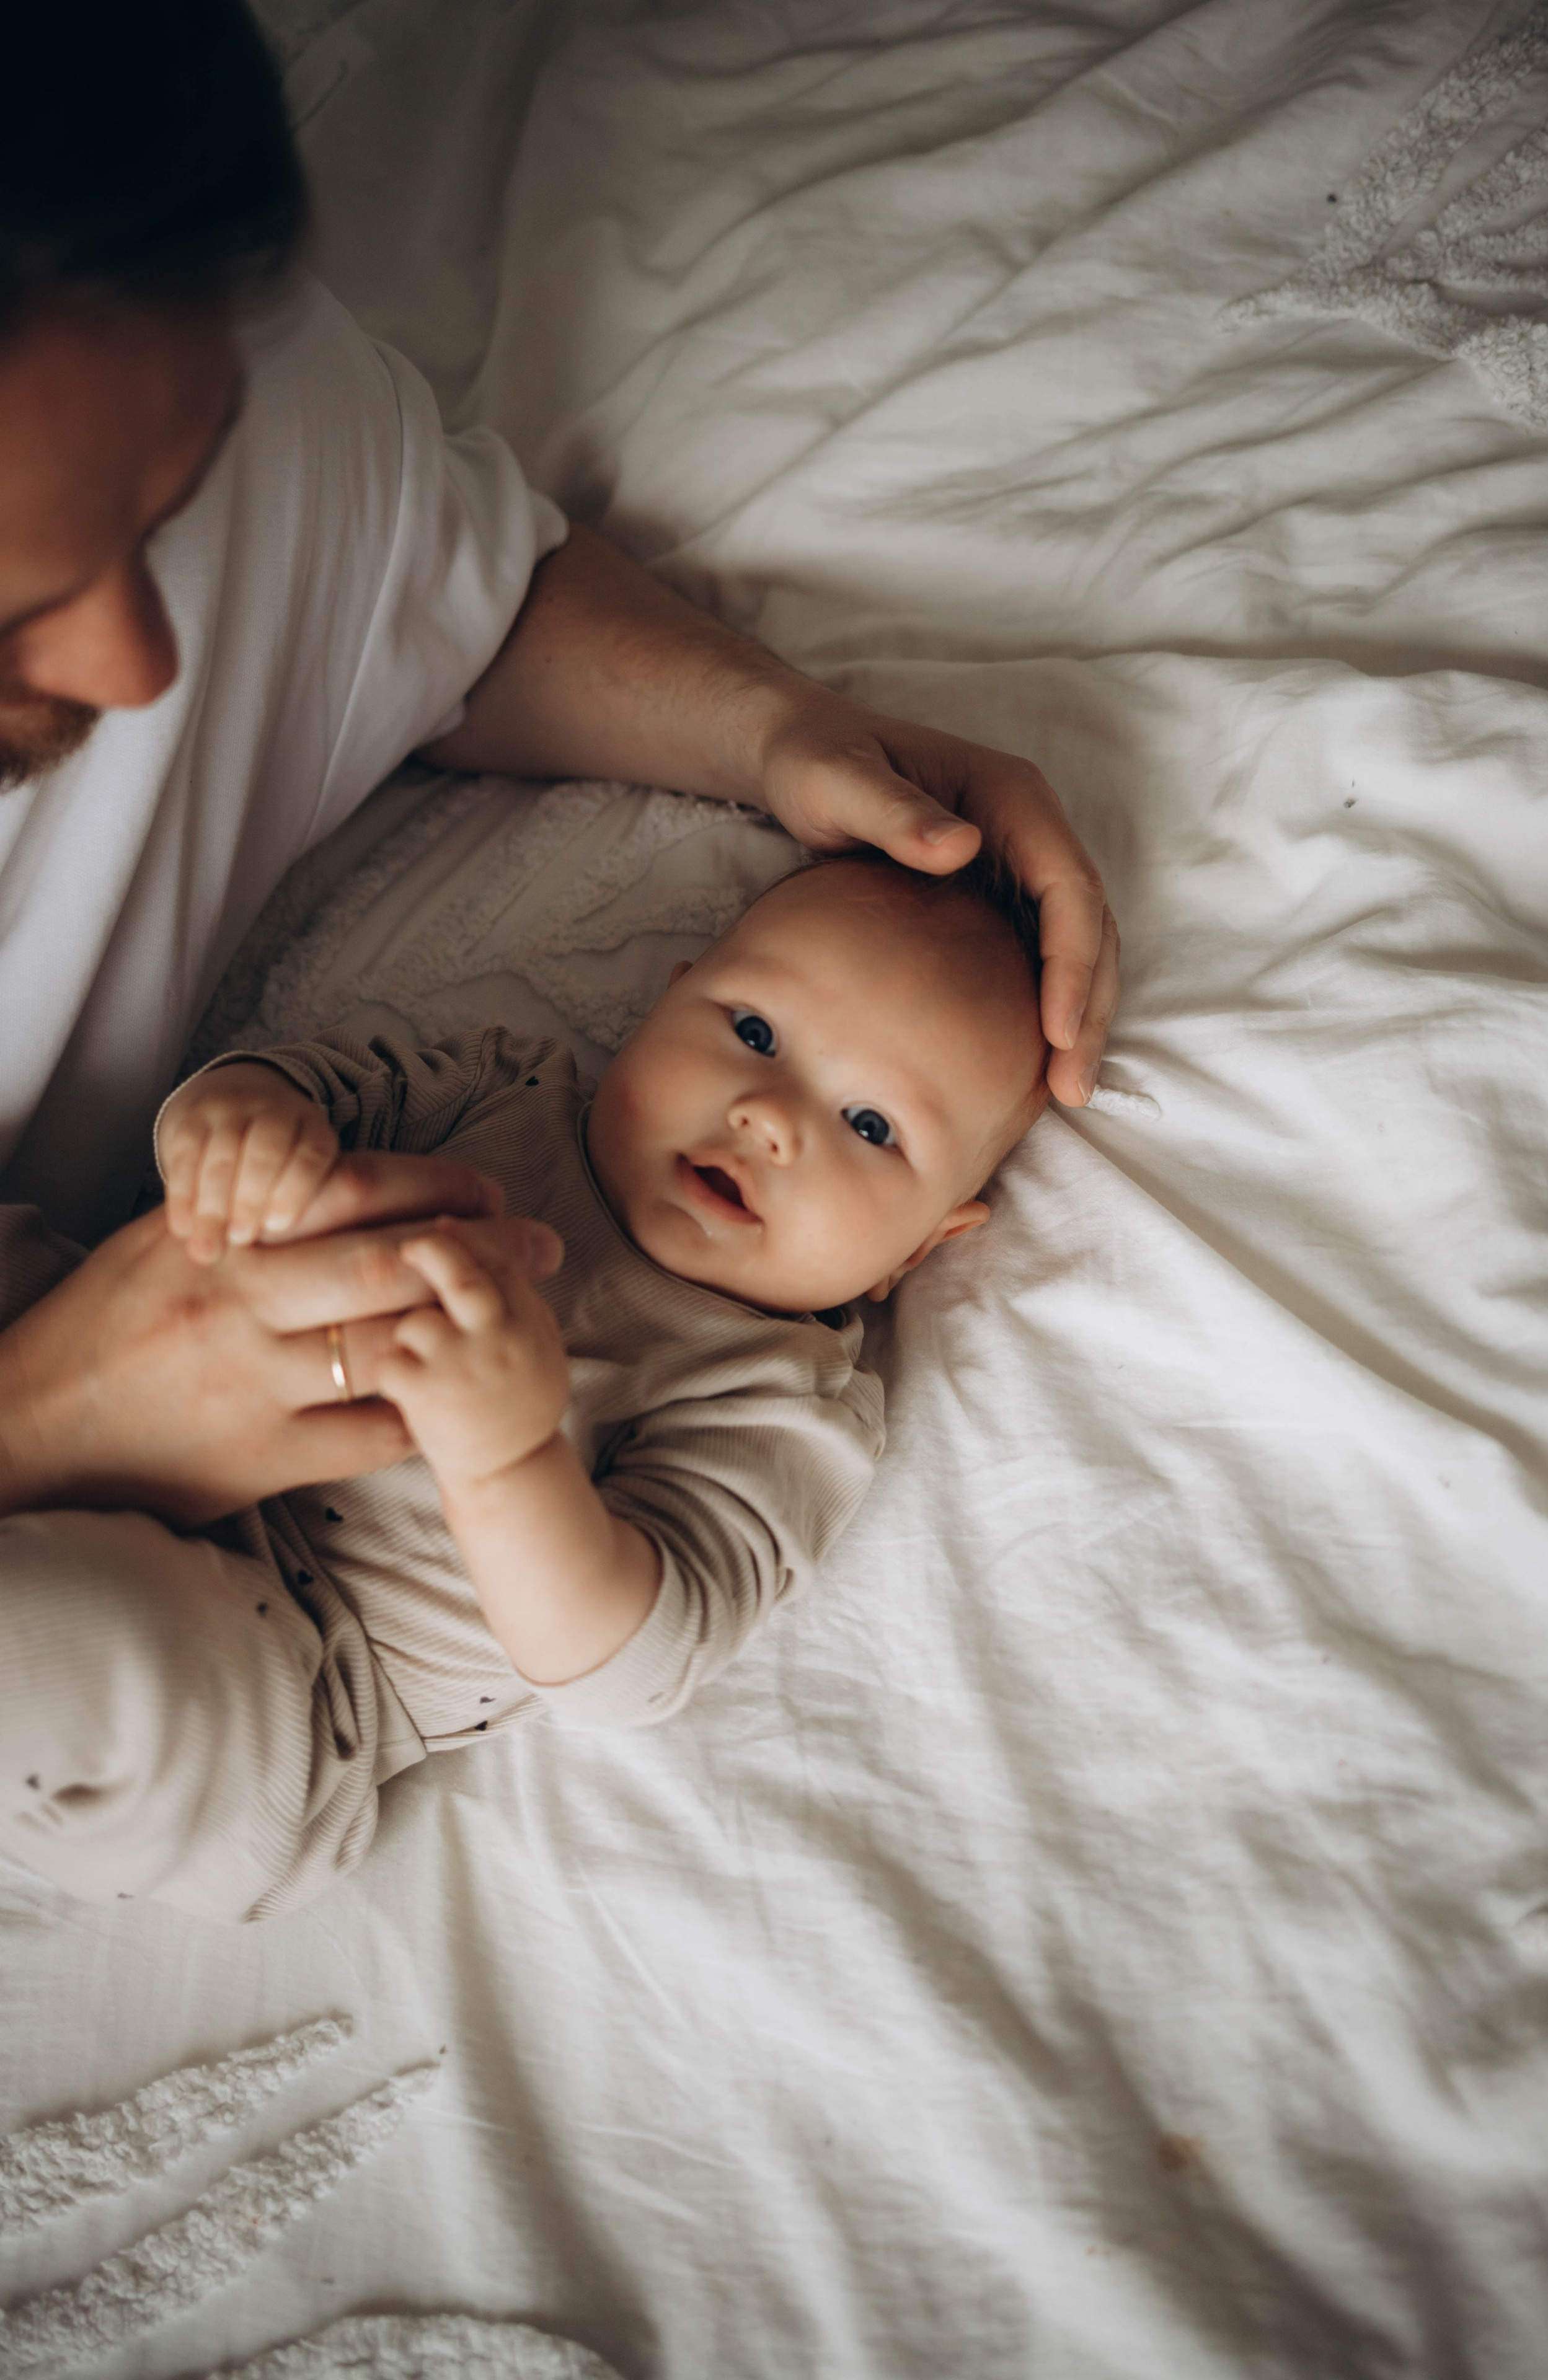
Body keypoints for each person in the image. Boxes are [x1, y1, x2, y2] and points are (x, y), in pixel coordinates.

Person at [0, 0, 1114, 1541]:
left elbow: (438, 591)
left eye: (162, 513)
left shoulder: (139, 291)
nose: (140, 674)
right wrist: (40, 1425)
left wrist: (779, 733)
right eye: (17, 605)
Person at [0, 855, 1050, 1920]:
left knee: (57, 1642)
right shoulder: (505, 1090)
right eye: (755, 1033)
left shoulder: (777, 1397)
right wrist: (232, 1131)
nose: (768, 1115)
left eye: (871, 1128)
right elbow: (298, 1085)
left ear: (917, 1251)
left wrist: (505, 1458)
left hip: (284, 1675)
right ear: (666, 997)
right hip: (98, 1348)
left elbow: (637, 1659)